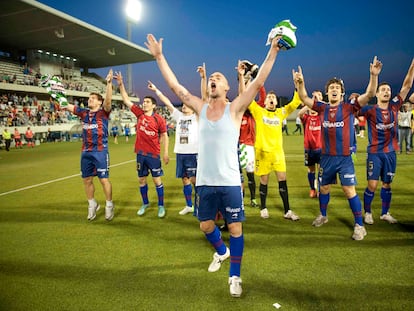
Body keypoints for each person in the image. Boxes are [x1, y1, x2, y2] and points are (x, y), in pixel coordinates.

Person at [145, 33, 283, 297]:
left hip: (230, 182)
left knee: (235, 228)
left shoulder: (236, 108)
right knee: (206, 226)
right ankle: (222, 251)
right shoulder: (200, 108)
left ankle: (234, 276)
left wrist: (274, 51)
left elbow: (260, 81)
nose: (213, 80)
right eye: (211, 78)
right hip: (206, 183)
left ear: (228, 87)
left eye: (218, 78)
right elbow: (176, 88)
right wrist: (160, 57)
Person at [292, 56, 382, 240]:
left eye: (337, 88)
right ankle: (323, 215)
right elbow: (303, 97)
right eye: (331, 88)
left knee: (349, 190)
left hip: (344, 158)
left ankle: (359, 225)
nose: (334, 90)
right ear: (327, 93)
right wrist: (300, 83)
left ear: (342, 93)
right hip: (326, 157)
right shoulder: (322, 108)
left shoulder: (350, 107)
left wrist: (373, 76)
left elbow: (370, 94)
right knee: (323, 188)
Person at [361, 59, 414, 225]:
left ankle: (385, 213)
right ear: (377, 94)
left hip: (390, 153)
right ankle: (368, 212)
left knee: (387, 184)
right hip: (375, 153)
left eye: (388, 90)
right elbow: (350, 112)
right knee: (372, 185)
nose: (386, 92)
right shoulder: (369, 110)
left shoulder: (395, 106)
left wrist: (412, 65)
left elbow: (406, 85)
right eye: (383, 90)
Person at [114, 71, 169, 218]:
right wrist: (120, 83)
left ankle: (161, 206)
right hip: (140, 154)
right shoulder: (139, 114)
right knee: (141, 180)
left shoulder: (159, 119)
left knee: (157, 180)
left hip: (154, 155)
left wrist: (165, 152)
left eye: (147, 102)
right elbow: (125, 99)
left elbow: (164, 135)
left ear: (154, 105)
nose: (144, 103)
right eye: (143, 102)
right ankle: (145, 203)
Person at [61, 69, 115, 221]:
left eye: (93, 98)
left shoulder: (104, 112)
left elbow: (109, 101)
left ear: (99, 101)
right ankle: (92, 204)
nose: (90, 100)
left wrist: (109, 84)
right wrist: (59, 97)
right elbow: (68, 106)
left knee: (104, 179)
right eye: (89, 98)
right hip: (86, 152)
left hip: (100, 151)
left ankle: (109, 205)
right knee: (87, 180)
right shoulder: (83, 112)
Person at [248, 87, 301, 220]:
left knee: (282, 180)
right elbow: (247, 98)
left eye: (274, 98)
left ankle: (287, 210)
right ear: (264, 102)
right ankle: (263, 208)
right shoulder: (259, 112)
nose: (271, 99)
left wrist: (297, 86)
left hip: (278, 153)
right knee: (264, 180)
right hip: (263, 153)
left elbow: (295, 102)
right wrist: (245, 80)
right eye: (269, 98)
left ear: (277, 102)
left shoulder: (280, 113)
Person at [147, 80, 198, 216]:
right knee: (185, 180)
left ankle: (199, 206)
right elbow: (168, 103)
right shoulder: (179, 116)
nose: (184, 107)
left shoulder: (197, 117)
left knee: (195, 181)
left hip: (193, 153)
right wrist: (156, 90)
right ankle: (189, 206)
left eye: (187, 105)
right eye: (183, 105)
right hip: (180, 153)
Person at [297, 90, 323, 198]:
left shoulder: (322, 116)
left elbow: (326, 109)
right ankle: (312, 189)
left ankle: (321, 190)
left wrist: (318, 102)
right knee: (311, 170)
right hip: (309, 149)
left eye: (319, 96)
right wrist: (310, 103)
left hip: (321, 148)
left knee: (321, 170)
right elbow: (300, 114)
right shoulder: (306, 118)